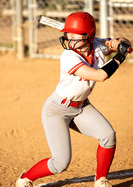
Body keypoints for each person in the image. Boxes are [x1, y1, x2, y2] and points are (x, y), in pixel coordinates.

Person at [16, 12, 132, 187]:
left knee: (108, 136)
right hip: (57, 110)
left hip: (82, 107)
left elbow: (124, 40)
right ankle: (25, 179)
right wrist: (120, 56)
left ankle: (101, 180)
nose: (69, 40)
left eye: (74, 35)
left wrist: (120, 42)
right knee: (60, 163)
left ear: (89, 36)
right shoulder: (69, 57)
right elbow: (100, 76)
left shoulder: (99, 46)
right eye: (68, 35)